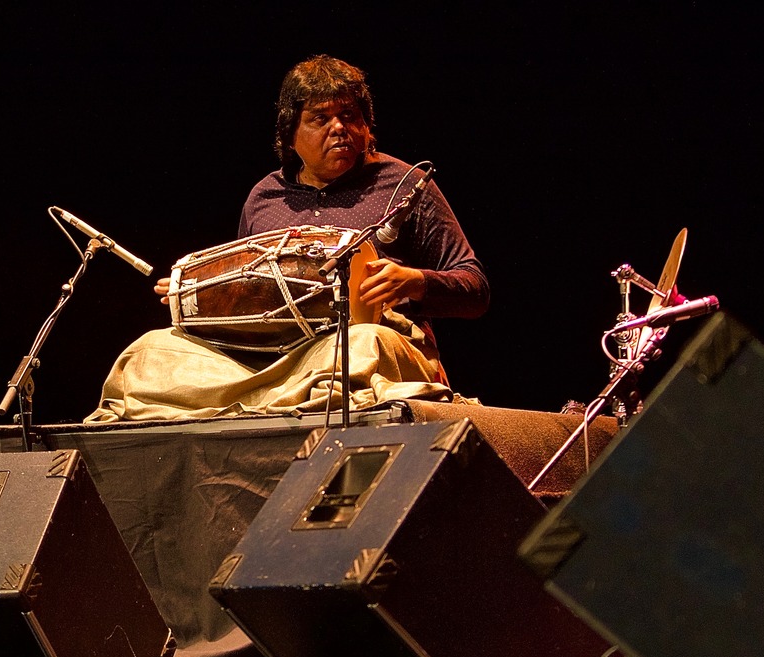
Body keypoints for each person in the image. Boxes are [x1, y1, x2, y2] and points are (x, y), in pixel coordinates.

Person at [88, 55, 489, 422]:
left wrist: (416, 282)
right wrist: (202, 290)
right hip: (267, 358)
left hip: (369, 344)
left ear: (367, 126)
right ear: (291, 133)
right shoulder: (265, 197)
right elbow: (250, 294)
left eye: (350, 116)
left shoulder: (405, 185)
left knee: (360, 345)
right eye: (321, 118)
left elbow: (476, 288)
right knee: (148, 353)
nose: (340, 128)